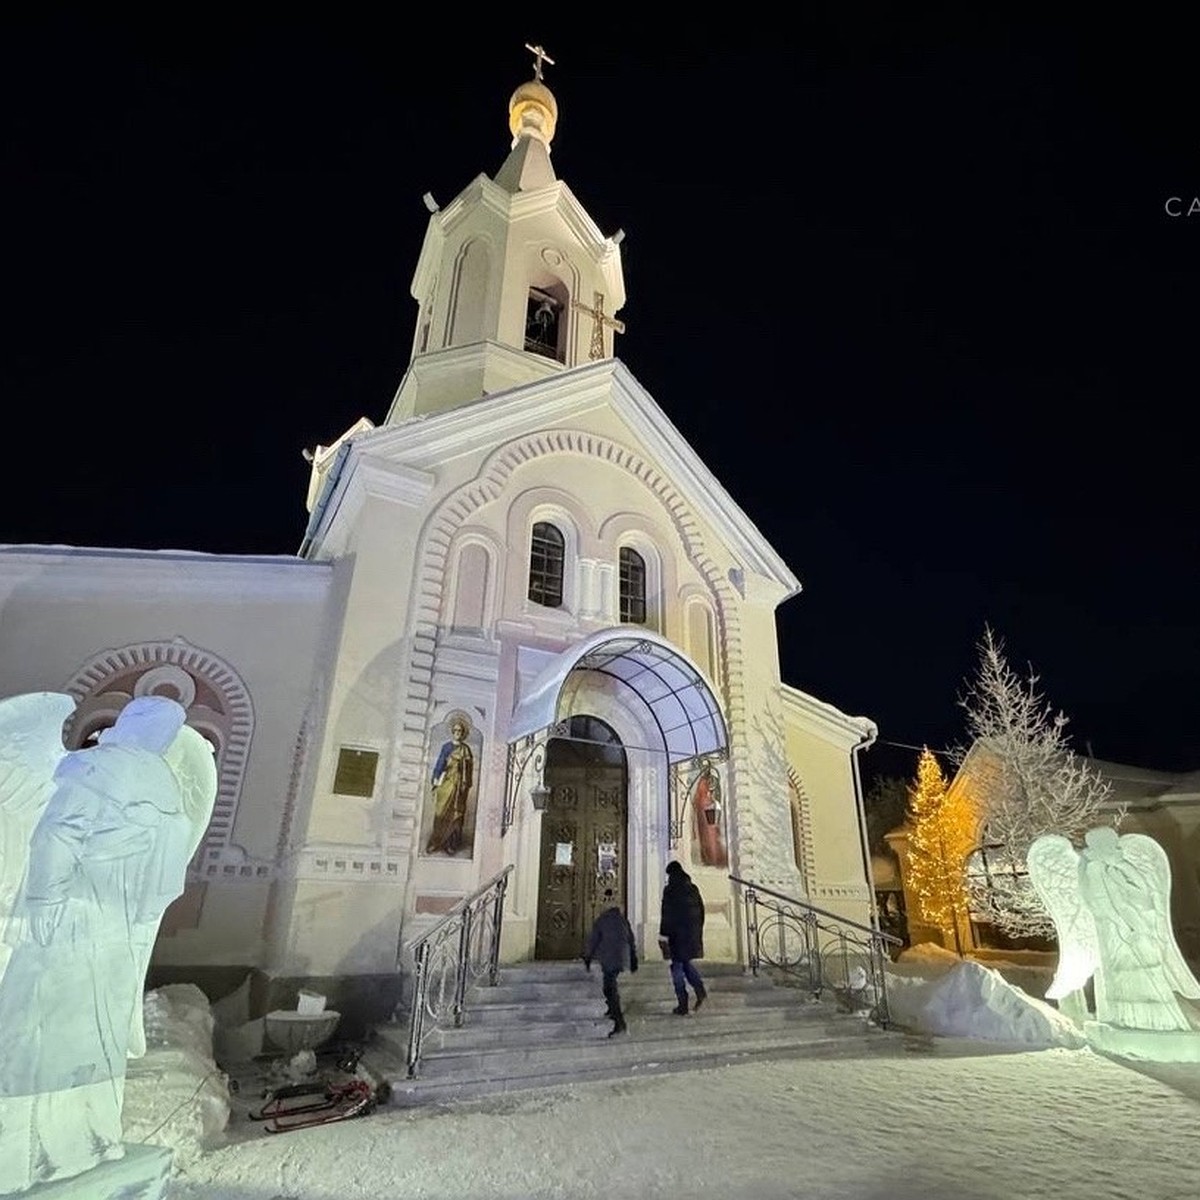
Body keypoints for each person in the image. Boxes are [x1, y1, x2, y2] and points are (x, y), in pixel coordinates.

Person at [0, 695, 217, 1192]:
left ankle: (21, 1149)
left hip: (69, 921)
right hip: (116, 931)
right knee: (92, 1038)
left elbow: (56, 836)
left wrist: (46, 901)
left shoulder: (94, 769)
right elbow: (166, 879)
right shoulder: (167, 789)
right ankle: (87, 1139)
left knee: (31, 1030)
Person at [584, 888, 638, 1036]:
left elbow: (593, 940)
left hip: (609, 958)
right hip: (621, 957)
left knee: (610, 988)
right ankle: (612, 1010)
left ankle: (619, 1022)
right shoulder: (622, 920)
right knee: (609, 985)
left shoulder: (601, 920)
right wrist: (634, 959)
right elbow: (631, 940)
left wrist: (588, 957)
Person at [658, 860, 707, 1015]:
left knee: (677, 968)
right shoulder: (693, 888)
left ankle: (683, 1003)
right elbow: (701, 910)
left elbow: (666, 914)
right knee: (685, 963)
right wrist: (697, 929)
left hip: (677, 935)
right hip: (692, 934)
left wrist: (663, 935)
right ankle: (700, 991)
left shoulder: (670, 890)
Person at [425, 716, 474, 855]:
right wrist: (435, 778)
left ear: (463, 733)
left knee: (456, 815)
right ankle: (436, 842)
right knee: (441, 812)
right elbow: (440, 763)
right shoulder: (446, 747)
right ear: (453, 732)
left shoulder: (466, 749)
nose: (458, 733)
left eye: (460, 731)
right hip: (447, 783)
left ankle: (451, 844)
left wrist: (466, 784)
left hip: (459, 786)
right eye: (456, 730)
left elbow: (469, 770)